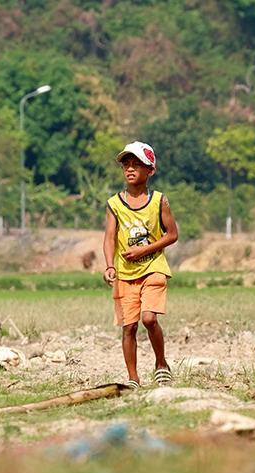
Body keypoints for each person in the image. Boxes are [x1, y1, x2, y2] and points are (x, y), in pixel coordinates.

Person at [103, 141, 179, 388]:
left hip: (153, 267)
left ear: (151, 170)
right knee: (129, 327)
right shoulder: (114, 203)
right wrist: (109, 266)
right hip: (125, 273)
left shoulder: (159, 201)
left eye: (137, 164)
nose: (130, 169)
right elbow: (109, 238)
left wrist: (144, 250)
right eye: (127, 164)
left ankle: (161, 363)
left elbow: (172, 234)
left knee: (148, 319)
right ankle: (133, 378)